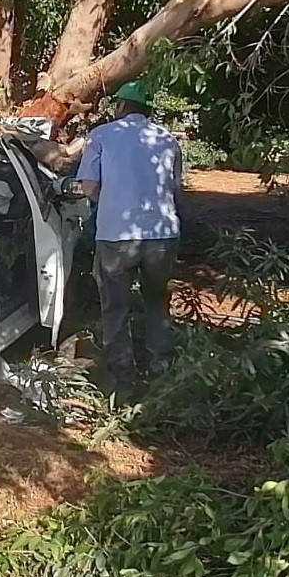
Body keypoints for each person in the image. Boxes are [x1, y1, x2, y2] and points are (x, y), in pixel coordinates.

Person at [74, 79, 184, 390]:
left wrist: (111, 202)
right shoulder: (168, 140)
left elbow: (89, 187)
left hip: (116, 234)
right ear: (148, 109)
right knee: (156, 299)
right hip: (162, 233)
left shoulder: (101, 136)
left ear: (120, 106)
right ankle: (161, 368)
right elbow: (175, 188)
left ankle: (122, 377)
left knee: (115, 305)